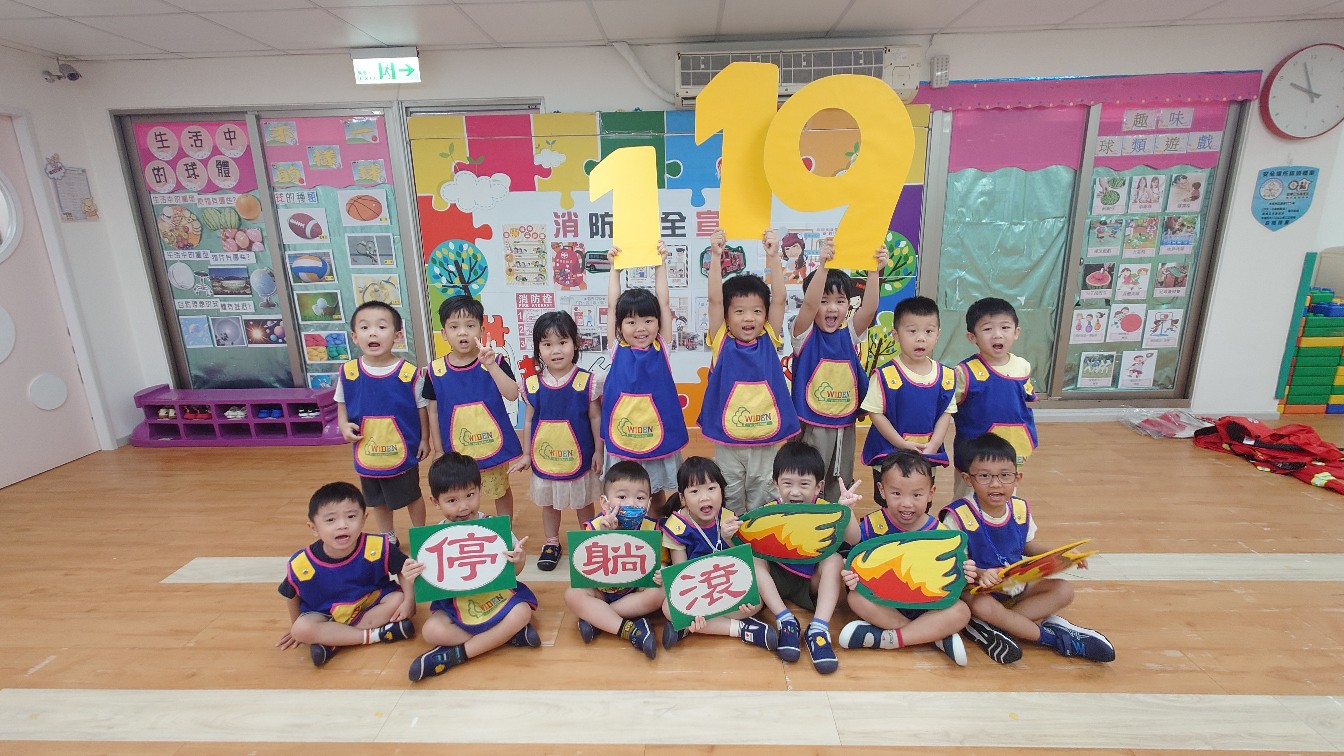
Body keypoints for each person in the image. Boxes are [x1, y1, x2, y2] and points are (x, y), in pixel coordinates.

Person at [940, 434, 1115, 664]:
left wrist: (1062, 556)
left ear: (1017, 477)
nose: (995, 484)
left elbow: (1027, 545)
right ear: (968, 479)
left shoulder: (1020, 509)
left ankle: (994, 628)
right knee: (983, 606)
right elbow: (953, 564)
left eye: (1005, 475)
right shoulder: (957, 516)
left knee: (1064, 590)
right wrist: (981, 574)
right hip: (977, 592)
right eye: (984, 476)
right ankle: (1053, 638)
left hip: (1015, 585)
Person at [407, 453, 540, 681]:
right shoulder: (432, 539)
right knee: (430, 630)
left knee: (522, 612)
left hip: (496, 597)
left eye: (470, 495)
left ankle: (457, 654)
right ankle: (503, 637)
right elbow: (428, 582)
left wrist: (518, 559)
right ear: (435, 502)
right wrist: (413, 573)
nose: (463, 507)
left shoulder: (494, 528)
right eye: (452, 500)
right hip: (456, 604)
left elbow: (513, 573)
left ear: (480, 490)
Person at [837, 451, 976, 666]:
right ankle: (932, 636)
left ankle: (889, 639)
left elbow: (952, 573)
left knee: (961, 611)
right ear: (882, 490)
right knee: (856, 598)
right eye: (896, 493)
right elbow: (854, 541)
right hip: (885, 602)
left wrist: (965, 571)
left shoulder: (940, 532)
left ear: (931, 493)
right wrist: (846, 511)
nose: (906, 503)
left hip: (928, 605)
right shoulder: (876, 523)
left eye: (917, 495)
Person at [701, 228, 800, 515]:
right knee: (730, 491)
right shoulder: (721, 339)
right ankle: (731, 536)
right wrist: (716, 256)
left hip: (765, 437)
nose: (749, 318)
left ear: (765, 315)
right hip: (728, 438)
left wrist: (774, 257)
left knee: (762, 490)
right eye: (739, 311)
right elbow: (715, 300)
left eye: (757, 311)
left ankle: (758, 535)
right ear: (727, 316)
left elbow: (779, 299)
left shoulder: (769, 336)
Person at [275, 482, 417, 667]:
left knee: (398, 599)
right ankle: (374, 636)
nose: (342, 525)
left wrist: (409, 601)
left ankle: (334, 641)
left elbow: (403, 569)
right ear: (314, 528)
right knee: (301, 629)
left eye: (351, 516)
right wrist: (295, 626)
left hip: (368, 606)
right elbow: (290, 594)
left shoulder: (376, 545)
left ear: (364, 518)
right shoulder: (302, 563)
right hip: (325, 615)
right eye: (330, 520)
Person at [791, 239, 885, 502]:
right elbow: (808, 307)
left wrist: (874, 272)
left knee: (840, 480)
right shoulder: (803, 334)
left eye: (840, 301)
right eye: (824, 301)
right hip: (812, 423)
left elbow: (869, 309)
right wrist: (822, 266)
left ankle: (837, 518)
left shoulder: (850, 335)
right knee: (807, 478)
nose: (832, 308)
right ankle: (804, 517)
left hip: (844, 424)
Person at [602, 241, 689, 514]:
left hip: (656, 432)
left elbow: (663, 302)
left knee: (655, 492)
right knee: (623, 490)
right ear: (619, 326)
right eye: (631, 322)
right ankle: (627, 531)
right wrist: (615, 269)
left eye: (648, 321)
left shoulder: (662, 346)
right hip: (624, 434)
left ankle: (658, 530)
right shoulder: (616, 347)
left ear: (658, 322)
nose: (640, 328)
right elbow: (612, 305)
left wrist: (660, 264)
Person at [659, 456, 779, 654]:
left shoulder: (728, 519)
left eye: (711, 488)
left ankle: (689, 627)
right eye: (694, 491)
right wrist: (693, 604)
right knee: (668, 608)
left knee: (757, 600)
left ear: (722, 491)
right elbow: (681, 575)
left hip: (725, 584)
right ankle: (742, 629)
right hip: (697, 589)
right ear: (683, 498)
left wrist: (728, 539)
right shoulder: (677, 526)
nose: (704, 497)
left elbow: (741, 564)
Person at [751, 441, 852, 674]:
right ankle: (785, 619)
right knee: (753, 557)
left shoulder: (826, 510)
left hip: (810, 582)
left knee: (835, 560)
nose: (795, 492)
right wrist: (729, 534)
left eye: (804, 484)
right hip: (776, 579)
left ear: (818, 487)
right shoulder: (768, 512)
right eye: (787, 483)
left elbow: (854, 539)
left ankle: (818, 629)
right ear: (775, 483)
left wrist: (846, 512)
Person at [334, 301, 430, 545]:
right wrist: (343, 425)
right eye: (365, 328)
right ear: (355, 336)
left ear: (397, 335)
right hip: (367, 449)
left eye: (381, 327)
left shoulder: (409, 373)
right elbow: (341, 403)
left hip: (403, 449)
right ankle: (388, 535)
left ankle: (420, 534)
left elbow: (422, 408)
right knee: (377, 500)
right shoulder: (349, 372)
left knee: (412, 495)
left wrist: (425, 439)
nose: (373, 333)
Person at [512, 311, 599, 571]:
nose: (556, 350)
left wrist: (599, 451)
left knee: (584, 502)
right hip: (546, 459)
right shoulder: (532, 385)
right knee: (549, 504)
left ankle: (587, 541)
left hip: (581, 457)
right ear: (538, 349)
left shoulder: (587, 381)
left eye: (562, 342)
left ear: (575, 343)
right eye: (547, 344)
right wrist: (526, 454)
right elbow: (528, 421)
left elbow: (595, 417)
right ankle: (551, 542)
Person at [423, 295, 523, 519]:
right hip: (456, 450)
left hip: (491, 444)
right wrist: (438, 449)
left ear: (481, 330)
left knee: (499, 491)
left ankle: (504, 529)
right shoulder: (435, 370)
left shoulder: (495, 362)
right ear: (444, 333)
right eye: (454, 327)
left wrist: (491, 365)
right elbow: (433, 411)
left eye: (470, 325)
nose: (462, 333)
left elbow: (512, 394)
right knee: (459, 494)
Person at [860, 295, 957, 503]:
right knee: (889, 501)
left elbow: (945, 414)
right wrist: (901, 443)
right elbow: (875, 413)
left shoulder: (946, 376)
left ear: (938, 335)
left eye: (928, 331)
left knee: (921, 502)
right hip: (889, 453)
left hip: (926, 453)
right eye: (912, 331)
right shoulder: (885, 375)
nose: (921, 338)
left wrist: (934, 445)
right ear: (896, 334)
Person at [563, 462, 665, 659]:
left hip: (634, 592)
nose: (632, 504)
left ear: (649, 503)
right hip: (601, 591)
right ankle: (629, 629)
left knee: (661, 591)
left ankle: (599, 618)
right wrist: (603, 534)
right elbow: (582, 567)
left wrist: (661, 572)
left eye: (640, 498)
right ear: (605, 502)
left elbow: (661, 564)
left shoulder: (652, 529)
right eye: (622, 497)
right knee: (572, 594)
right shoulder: (594, 527)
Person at [952, 297, 1037, 501]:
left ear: (1016, 332)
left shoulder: (1022, 366)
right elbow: (948, 409)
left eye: (1005, 327)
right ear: (972, 337)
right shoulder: (964, 372)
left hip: (1011, 448)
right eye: (988, 329)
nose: (998, 334)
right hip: (975, 453)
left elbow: (1023, 402)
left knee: (1006, 494)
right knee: (968, 498)